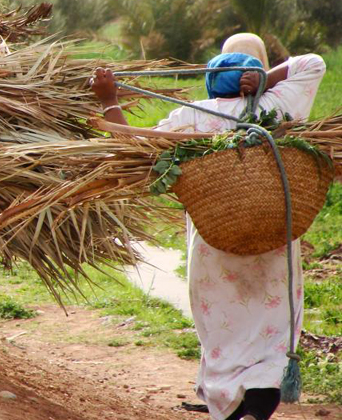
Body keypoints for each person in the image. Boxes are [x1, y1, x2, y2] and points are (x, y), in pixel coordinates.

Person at [89, 33, 326, 420]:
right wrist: (270, 79)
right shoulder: (280, 106)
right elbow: (313, 62)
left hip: (214, 248)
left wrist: (109, 100)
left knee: (224, 332)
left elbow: (133, 145)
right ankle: (257, 410)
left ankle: (229, 408)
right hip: (274, 243)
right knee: (270, 334)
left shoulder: (193, 114)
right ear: (260, 67)